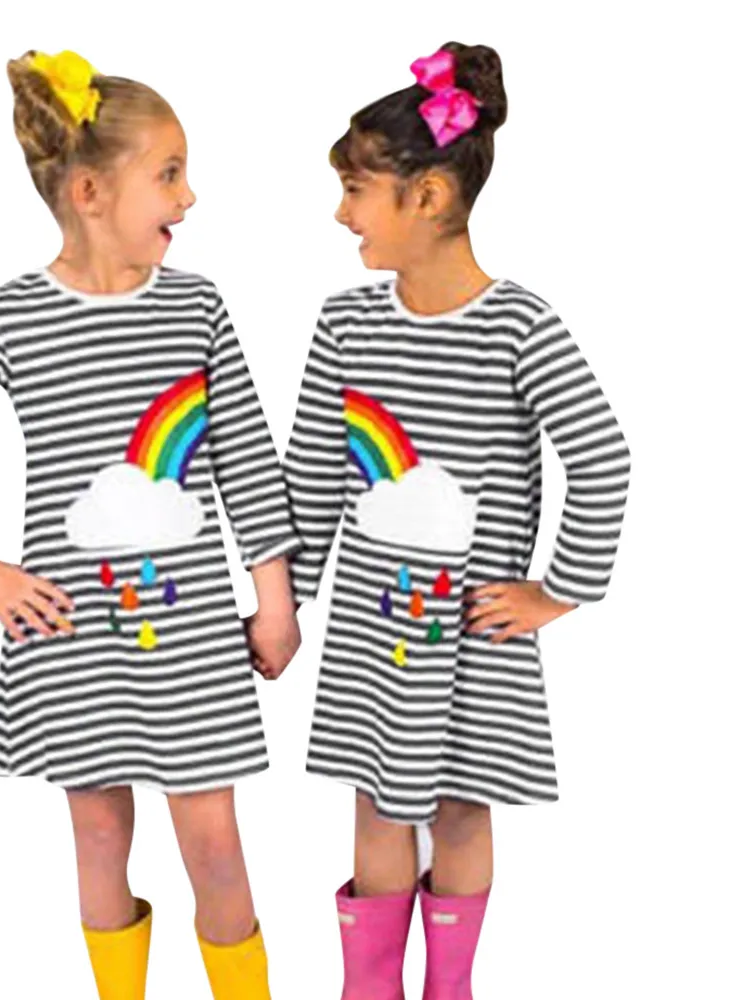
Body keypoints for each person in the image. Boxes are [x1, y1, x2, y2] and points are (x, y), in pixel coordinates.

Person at [0, 48, 302, 1000]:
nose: (189, 197)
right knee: (101, 835)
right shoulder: (12, 316)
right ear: (89, 193)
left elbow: (246, 459)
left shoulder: (196, 306)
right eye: (169, 174)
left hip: (192, 635)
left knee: (216, 847)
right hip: (72, 635)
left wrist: (273, 600)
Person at [282, 42, 631, 999]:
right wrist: (285, 604)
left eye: (356, 190)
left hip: (475, 631)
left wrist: (560, 591)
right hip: (373, 627)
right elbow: (311, 477)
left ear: (428, 196)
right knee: (376, 806)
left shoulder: (519, 326)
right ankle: (369, 989)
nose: (341, 213)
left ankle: (451, 988)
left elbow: (602, 453)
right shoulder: (345, 323)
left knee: (464, 810)